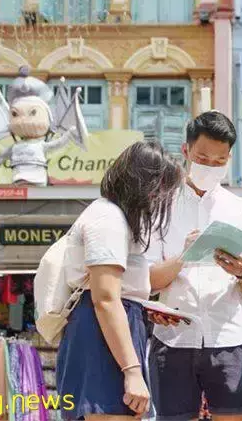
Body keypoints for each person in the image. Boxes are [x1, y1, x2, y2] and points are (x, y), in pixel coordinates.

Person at [146, 111, 242, 421]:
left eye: (219, 162)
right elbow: (147, 280)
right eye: (203, 158)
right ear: (186, 151)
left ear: (229, 158)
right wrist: (182, 258)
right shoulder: (158, 206)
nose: (210, 167)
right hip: (173, 339)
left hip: (228, 335)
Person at [56, 140, 184, 420]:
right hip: (102, 336)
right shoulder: (109, 219)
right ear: (145, 185)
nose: (163, 198)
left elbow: (116, 292)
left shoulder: (113, 218)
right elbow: (105, 298)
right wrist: (132, 370)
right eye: (163, 189)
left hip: (107, 332)